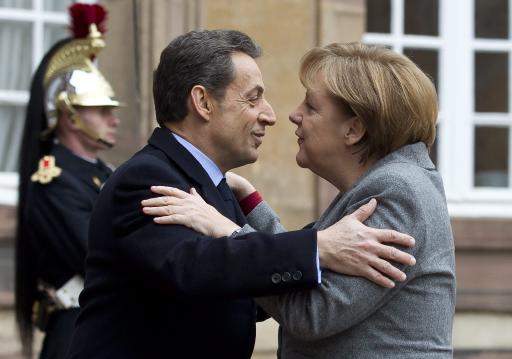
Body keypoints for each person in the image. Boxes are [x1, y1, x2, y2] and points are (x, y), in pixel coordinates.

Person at [67, 31, 416, 359]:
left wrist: (321, 257)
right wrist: (318, 248)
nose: (271, 115)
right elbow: (196, 269)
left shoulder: (210, 182)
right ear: (203, 102)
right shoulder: (149, 178)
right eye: (253, 98)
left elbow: (243, 290)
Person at [142, 42, 456, 357]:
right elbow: (305, 268)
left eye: (311, 106)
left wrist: (224, 229)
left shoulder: (397, 191)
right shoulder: (387, 184)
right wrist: (252, 205)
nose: (293, 115)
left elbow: (312, 312)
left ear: (354, 128)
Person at [15, 4, 120, 359]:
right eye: (102, 110)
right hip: (78, 332)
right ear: (70, 116)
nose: (113, 119)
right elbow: (97, 256)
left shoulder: (103, 173)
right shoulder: (53, 178)